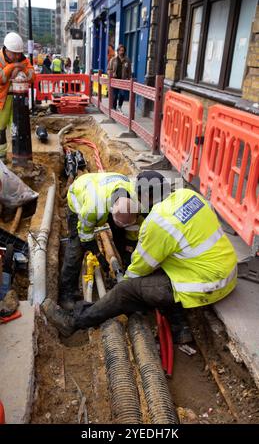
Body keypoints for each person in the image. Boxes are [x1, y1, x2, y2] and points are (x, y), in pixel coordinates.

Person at [42, 188, 238, 338]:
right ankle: (181, 329)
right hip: (228, 272)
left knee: (127, 290)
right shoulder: (188, 195)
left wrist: (121, 283)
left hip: (206, 284)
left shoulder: (159, 223)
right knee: (156, 276)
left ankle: (74, 321)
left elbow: (138, 270)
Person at [58, 172, 139, 310]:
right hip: (79, 193)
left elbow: (132, 233)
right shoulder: (91, 209)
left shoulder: (134, 200)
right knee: (76, 248)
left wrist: (128, 254)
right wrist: (99, 256)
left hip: (105, 188)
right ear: (111, 213)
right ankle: (67, 293)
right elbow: (85, 238)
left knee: (121, 237)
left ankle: (126, 273)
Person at [0, 32, 35, 162]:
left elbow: (32, 77)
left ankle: (18, 157)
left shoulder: (23, 59)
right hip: (2, 100)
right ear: (6, 50)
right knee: (0, 128)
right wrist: (13, 66)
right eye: (13, 54)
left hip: (18, 100)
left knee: (17, 127)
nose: (16, 57)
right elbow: (2, 78)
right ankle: (1, 157)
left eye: (18, 54)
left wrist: (23, 69)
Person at [107, 44, 132, 112]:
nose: (121, 52)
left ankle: (119, 106)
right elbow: (108, 69)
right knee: (114, 96)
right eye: (120, 50)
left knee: (122, 94)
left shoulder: (127, 60)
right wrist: (112, 74)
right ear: (118, 51)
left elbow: (129, 71)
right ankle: (114, 108)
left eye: (123, 50)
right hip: (115, 80)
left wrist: (129, 79)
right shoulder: (113, 59)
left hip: (123, 80)